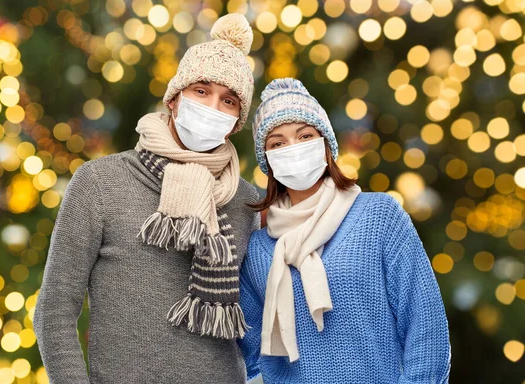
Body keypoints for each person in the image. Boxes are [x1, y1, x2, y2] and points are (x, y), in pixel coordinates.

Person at [33, 14, 260, 384]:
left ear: (236, 123)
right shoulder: (99, 182)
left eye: (229, 101)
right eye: (201, 91)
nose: (211, 108)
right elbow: (54, 310)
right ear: (174, 99)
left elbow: (264, 318)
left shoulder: (246, 200)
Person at [237, 78, 451, 383]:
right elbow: (248, 358)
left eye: (305, 135)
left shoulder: (379, 216)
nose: (293, 149)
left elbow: (426, 331)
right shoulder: (259, 249)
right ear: (267, 160)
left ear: (325, 144)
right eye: (277, 143)